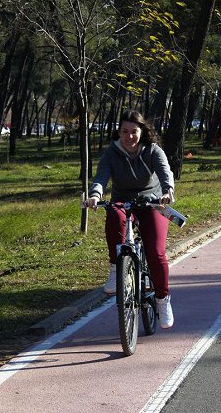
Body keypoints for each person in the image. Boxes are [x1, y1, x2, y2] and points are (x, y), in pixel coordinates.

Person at [84, 110, 175, 329]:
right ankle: (116, 267)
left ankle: (162, 300)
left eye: (134, 131)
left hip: (152, 203)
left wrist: (167, 192)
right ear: (119, 132)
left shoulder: (154, 151)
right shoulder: (111, 153)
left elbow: (165, 173)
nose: (129, 136)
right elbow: (101, 177)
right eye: (124, 131)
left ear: (142, 131)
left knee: (155, 251)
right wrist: (95, 195)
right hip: (122, 202)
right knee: (114, 215)